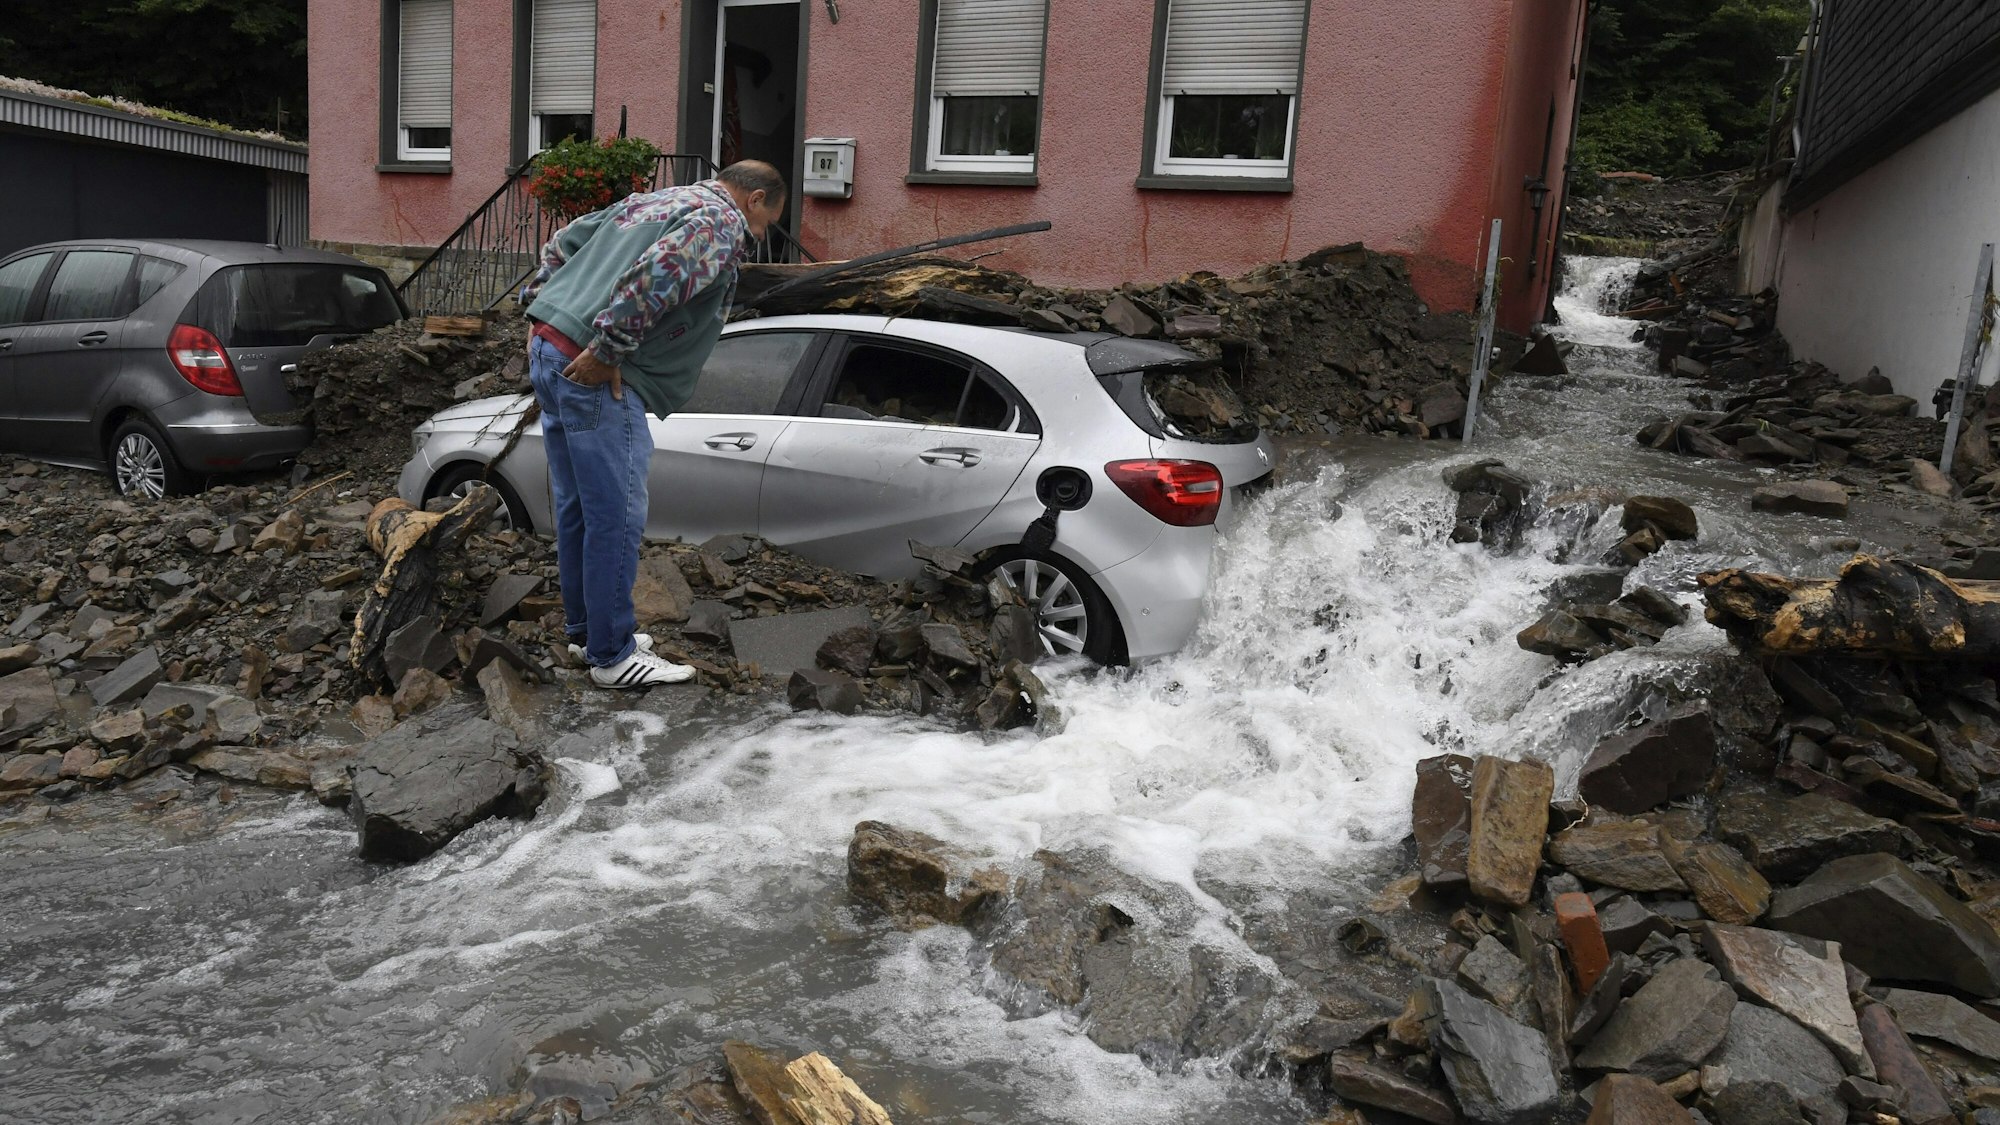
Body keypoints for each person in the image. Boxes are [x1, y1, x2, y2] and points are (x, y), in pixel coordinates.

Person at [518, 160, 788, 689]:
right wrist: (609, 349)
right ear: (754, 199)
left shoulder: (652, 202)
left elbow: (563, 241)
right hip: (594, 372)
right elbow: (657, 277)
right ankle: (613, 657)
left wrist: (539, 313)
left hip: (553, 355)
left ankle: (586, 632)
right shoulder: (718, 219)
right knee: (616, 514)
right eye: (765, 224)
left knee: (579, 504)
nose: (757, 236)